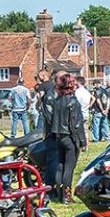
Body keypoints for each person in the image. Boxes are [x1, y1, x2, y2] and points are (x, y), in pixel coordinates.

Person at [41, 71, 86, 201]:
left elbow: (50, 118)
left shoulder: (57, 101)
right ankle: (66, 196)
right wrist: (82, 141)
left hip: (58, 136)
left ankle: (60, 194)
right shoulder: (73, 102)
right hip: (69, 138)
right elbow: (77, 124)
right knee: (69, 167)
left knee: (60, 165)